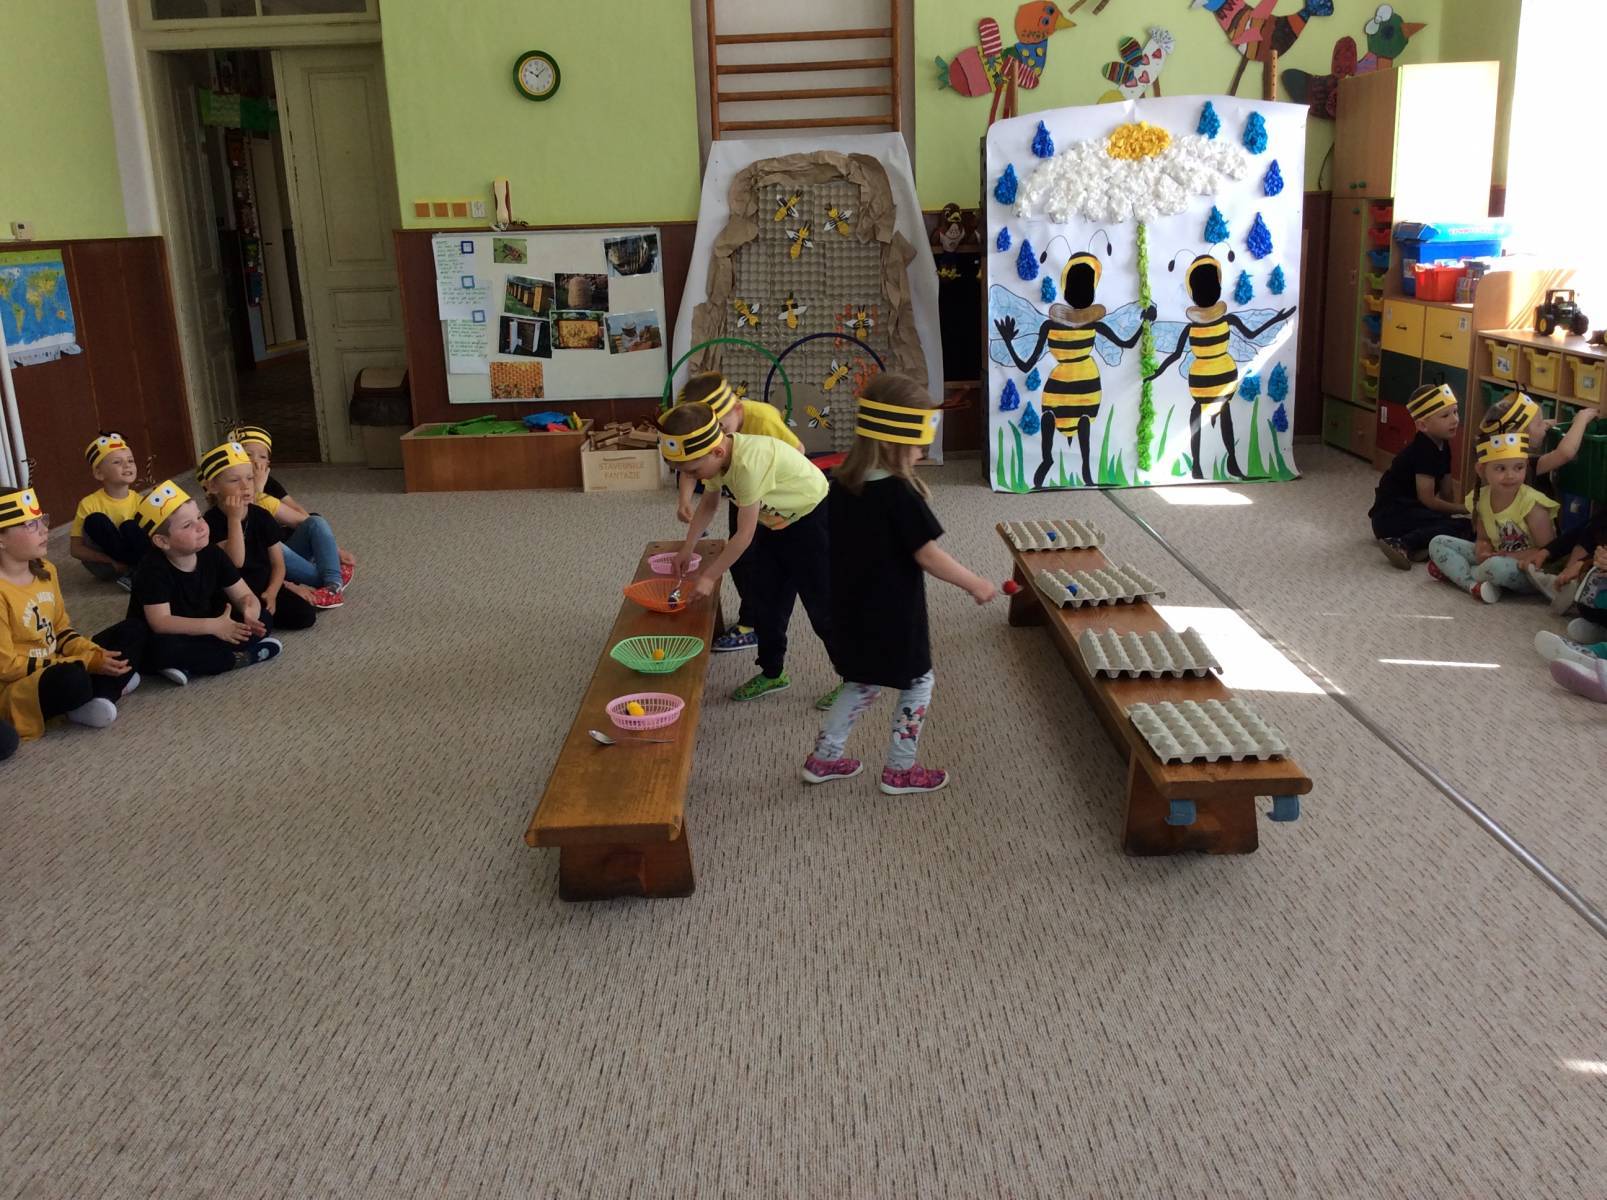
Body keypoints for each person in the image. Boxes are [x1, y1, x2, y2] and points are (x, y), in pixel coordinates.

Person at [799, 376, 996, 795]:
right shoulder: (899, 495)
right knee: (919, 683)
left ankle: (824, 758)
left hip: (850, 609)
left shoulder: (841, 484)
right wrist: (975, 583)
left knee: (861, 682)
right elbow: (928, 555)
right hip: (894, 615)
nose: (923, 450)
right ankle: (900, 770)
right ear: (894, 440)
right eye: (919, 441)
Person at [661, 399, 842, 706]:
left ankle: (855, 680)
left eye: (693, 470)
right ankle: (773, 673)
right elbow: (709, 504)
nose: (694, 476)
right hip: (774, 523)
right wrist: (687, 547)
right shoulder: (716, 457)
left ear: (717, 452)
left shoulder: (747, 465)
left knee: (822, 608)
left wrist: (709, 576)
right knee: (766, 605)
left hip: (812, 521)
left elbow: (743, 536)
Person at [1, 486, 145, 739]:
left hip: (58, 660)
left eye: (42, 520)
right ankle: (102, 690)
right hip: (21, 683)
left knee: (134, 629)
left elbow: (60, 630)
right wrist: (85, 661)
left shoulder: (46, 569)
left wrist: (92, 653)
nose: (44, 529)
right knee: (72, 679)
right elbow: (7, 668)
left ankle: (99, 694)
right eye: (30, 525)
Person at [672, 374, 802, 654]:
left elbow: (798, 452)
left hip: (777, 499)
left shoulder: (763, 419)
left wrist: (709, 576)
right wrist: (685, 509)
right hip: (741, 490)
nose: (716, 436)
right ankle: (754, 619)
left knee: (774, 562)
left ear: (738, 409)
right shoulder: (717, 448)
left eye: (720, 427)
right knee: (741, 559)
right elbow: (694, 470)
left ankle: (757, 623)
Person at [128, 479, 281, 685]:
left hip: (205, 623)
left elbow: (244, 594)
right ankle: (240, 658)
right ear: (162, 541)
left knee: (263, 617)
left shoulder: (213, 553)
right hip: (172, 632)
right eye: (187, 525)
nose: (201, 526)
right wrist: (213, 626)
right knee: (158, 650)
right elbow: (161, 622)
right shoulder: (151, 569)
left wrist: (249, 611)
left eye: (199, 516)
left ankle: (191, 664)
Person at [198, 441, 318, 631]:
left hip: (264, 586)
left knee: (305, 615)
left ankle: (268, 610)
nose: (245, 486)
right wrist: (234, 519)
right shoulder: (209, 522)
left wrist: (272, 591)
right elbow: (236, 561)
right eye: (234, 480)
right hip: (234, 595)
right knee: (259, 621)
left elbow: (278, 564)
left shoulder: (261, 515)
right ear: (213, 486)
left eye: (250, 478)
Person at [1427, 431, 1558, 603]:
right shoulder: (1481, 499)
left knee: (1496, 566)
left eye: (1518, 468)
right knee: (1437, 542)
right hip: (1495, 558)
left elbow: (1549, 553)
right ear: (1481, 470)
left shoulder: (1532, 504)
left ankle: (1461, 573)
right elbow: (1483, 538)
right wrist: (1483, 549)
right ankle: (1474, 585)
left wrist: (1506, 557)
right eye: (1501, 468)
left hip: (1526, 569)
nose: (1510, 475)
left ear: (1526, 466)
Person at [232, 425, 350, 606]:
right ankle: (333, 580)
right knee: (274, 544)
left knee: (315, 521)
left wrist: (335, 550)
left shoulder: (268, 485)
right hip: (262, 561)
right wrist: (257, 490)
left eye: (262, 457)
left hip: (283, 544)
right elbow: (254, 529)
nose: (255, 461)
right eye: (248, 455)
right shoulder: (233, 490)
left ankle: (332, 582)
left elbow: (299, 515)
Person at [1367, 383, 1470, 568]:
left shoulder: (1443, 444)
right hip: (1391, 517)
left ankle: (1420, 547)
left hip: (1413, 512)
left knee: (1462, 526)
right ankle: (1401, 544)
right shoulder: (1423, 450)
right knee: (1461, 526)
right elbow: (1428, 500)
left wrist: (1454, 513)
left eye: (1455, 412)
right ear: (1423, 425)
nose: (1454, 420)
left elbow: (1447, 492)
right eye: (1445, 415)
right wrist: (1463, 509)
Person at [69, 432, 147, 589]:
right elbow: (75, 549)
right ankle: (135, 570)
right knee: (95, 520)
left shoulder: (140, 501)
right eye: (117, 462)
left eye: (130, 460)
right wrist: (110, 561)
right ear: (99, 473)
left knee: (130, 526)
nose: (127, 465)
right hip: (107, 566)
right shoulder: (88, 504)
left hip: (137, 560)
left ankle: (136, 571)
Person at [1478, 391, 1598, 484]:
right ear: (1520, 436)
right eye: (1540, 423)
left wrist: (1544, 424)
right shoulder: (1523, 466)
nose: (1545, 425)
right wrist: (1581, 420)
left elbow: (1545, 424)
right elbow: (1564, 453)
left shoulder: (1496, 461)